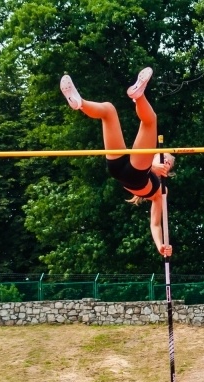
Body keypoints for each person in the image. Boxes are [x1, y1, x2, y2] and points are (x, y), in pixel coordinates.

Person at [60, 67, 175, 257]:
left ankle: (139, 96)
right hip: (121, 166)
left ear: (169, 171)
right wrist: (153, 165)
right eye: (162, 157)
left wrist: (160, 245)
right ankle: (80, 103)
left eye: (168, 163)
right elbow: (145, 162)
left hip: (133, 175)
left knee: (150, 121)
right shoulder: (148, 164)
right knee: (108, 110)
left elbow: (155, 223)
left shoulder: (161, 191)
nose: (164, 161)